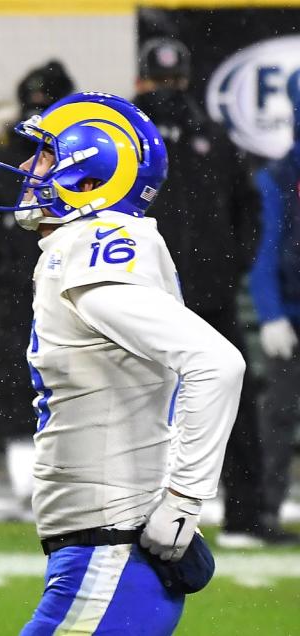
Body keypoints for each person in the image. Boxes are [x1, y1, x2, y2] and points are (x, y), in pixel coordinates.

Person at [0, 92, 245, 634]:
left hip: (110, 554)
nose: (29, 168)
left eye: (45, 156)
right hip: (101, 549)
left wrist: (183, 501)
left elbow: (217, 364)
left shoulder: (89, 246)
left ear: (89, 174)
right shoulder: (93, 243)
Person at [133, 37, 297, 548]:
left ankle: (245, 514)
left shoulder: (210, 138)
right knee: (147, 405)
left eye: (172, 83)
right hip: (146, 299)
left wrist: (226, 266)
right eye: (161, 84)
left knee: (234, 402)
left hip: (199, 297)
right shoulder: (127, 138)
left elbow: (248, 210)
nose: (166, 92)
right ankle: (135, 513)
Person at [0, 59, 74, 515]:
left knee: (61, 378)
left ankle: (57, 477)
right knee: (13, 379)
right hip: (18, 291)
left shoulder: (82, 158)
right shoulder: (10, 159)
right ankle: (29, 478)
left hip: (63, 286)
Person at [249, 75, 300, 540]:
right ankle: (265, 510)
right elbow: (264, 249)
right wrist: (271, 314)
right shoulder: (279, 179)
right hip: (294, 319)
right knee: (279, 417)